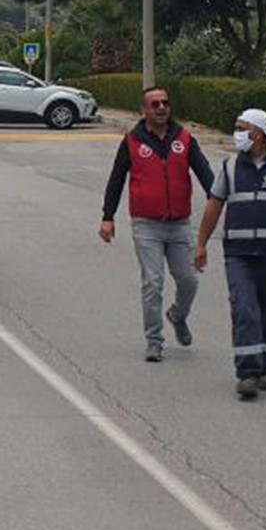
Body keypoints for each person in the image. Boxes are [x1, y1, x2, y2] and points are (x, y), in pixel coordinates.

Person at [193, 109, 266, 402]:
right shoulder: (231, 167)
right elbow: (214, 204)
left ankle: (264, 368)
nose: (236, 133)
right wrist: (201, 243)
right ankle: (247, 373)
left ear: (258, 133)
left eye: (241, 128)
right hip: (239, 254)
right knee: (245, 310)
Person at [99, 86, 215, 363]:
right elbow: (116, 180)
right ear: (144, 110)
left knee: (189, 281)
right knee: (153, 282)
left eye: (165, 103)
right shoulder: (132, 141)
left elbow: (206, 175)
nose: (161, 108)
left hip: (179, 225)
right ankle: (154, 340)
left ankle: (178, 315)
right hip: (146, 225)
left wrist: (218, 199)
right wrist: (107, 216)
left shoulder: (184, 139)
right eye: (155, 104)